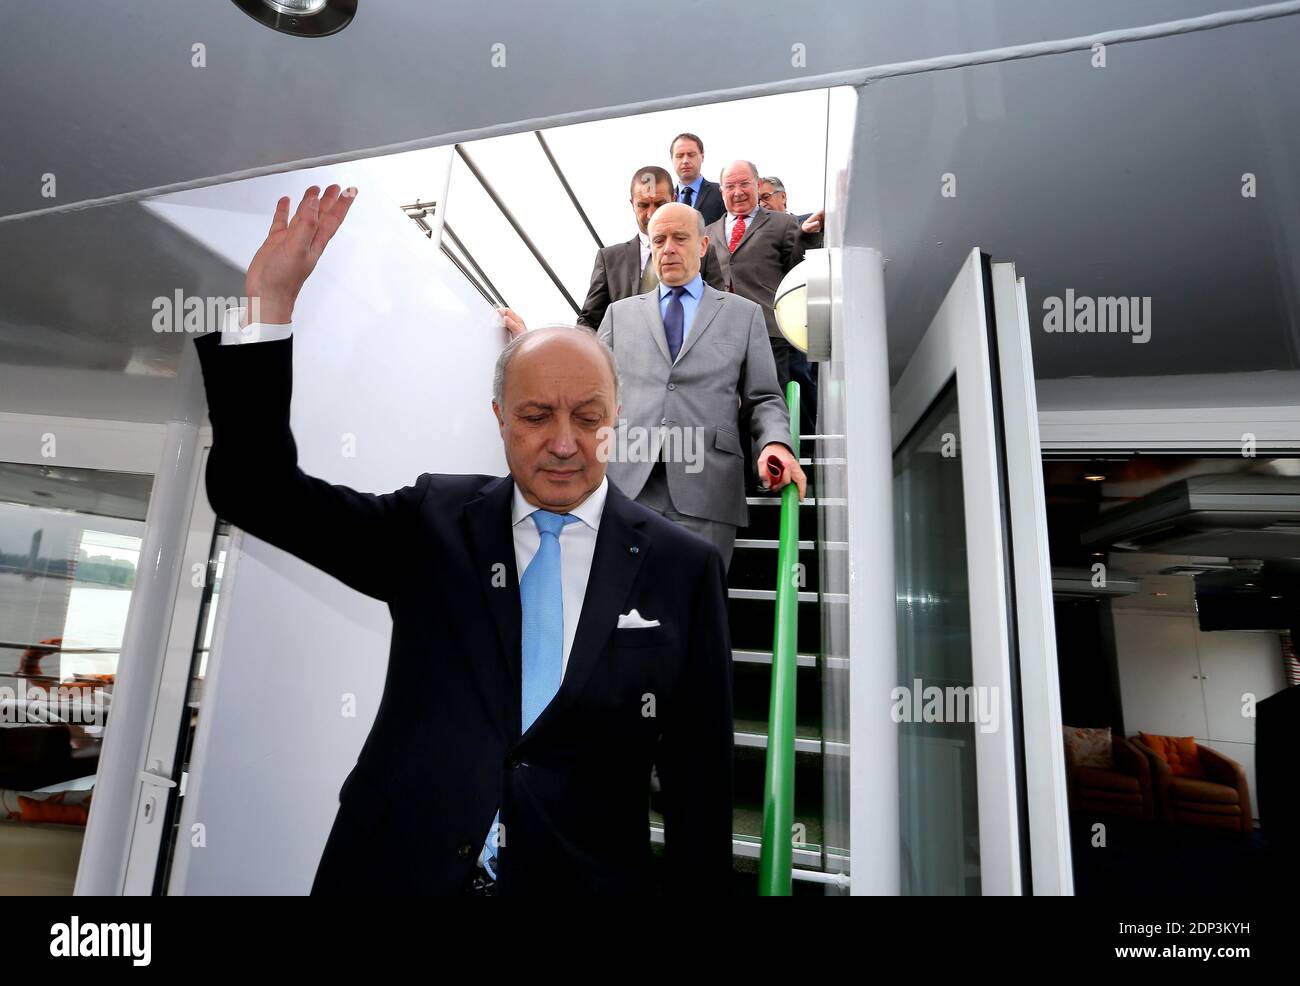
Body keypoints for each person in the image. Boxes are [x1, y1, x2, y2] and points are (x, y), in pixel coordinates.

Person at [193, 184, 735, 896]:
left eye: (588, 415)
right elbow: (255, 492)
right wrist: (271, 307)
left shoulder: (683, 568)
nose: (566, 442)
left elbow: (699, 787)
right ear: (499, 417)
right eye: (537, 416)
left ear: (617, 416)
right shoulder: (435, 521)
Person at [500, 202, 806, 569]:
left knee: (696, 613)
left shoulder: (744, 314)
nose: (668, 248)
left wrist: (775, 444)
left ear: (704, 245)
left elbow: (765, 398)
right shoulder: (620, 313)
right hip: (627, 483)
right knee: (617, 606)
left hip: (707, 488)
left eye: (680, 238)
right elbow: (581, 377)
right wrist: (528, 340)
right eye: (658, 240)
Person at [704, 161, 824, 389]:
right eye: (730, 186)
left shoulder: (783, 223)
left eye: (744, 184)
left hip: (768, 333)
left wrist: (807, 236)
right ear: (721, 191)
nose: (737, 192)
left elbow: (796, 271)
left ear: (757, 185)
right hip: (721, 335)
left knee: (771, 401)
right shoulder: (708, 232)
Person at [577, 165, 724, 330]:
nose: (651, 214)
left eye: (659, 204)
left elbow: (718, 311)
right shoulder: (609, 259)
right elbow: (589, 322)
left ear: (674, 198)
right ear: (632, 203)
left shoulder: (702, 251)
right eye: (643, 205)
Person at [669, 133, 725, 225]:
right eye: (679, 156)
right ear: (672, 159)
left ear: (702, 157)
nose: (685, 161)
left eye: (691, 155)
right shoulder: (667, 200)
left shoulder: (720, 192)